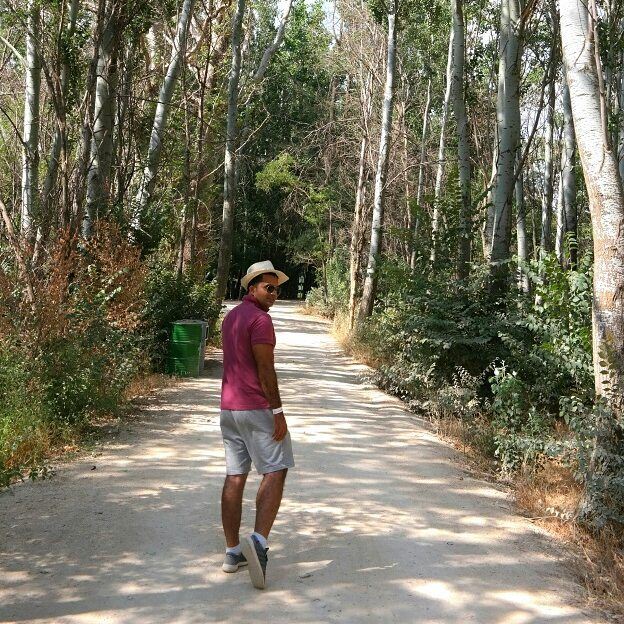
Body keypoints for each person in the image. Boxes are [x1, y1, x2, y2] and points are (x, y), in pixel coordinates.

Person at [219, 260, 295, 590]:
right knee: (276, 470)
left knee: (236, 476)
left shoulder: (232, 316)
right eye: (268, 287)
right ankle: (259, 544)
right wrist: (277, 412)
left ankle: (233, 551)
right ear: (252, 289)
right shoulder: (260, 321)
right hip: (255, 408)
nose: (274, 293)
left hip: (229, 409)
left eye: (277, 288)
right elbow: (266, 370)